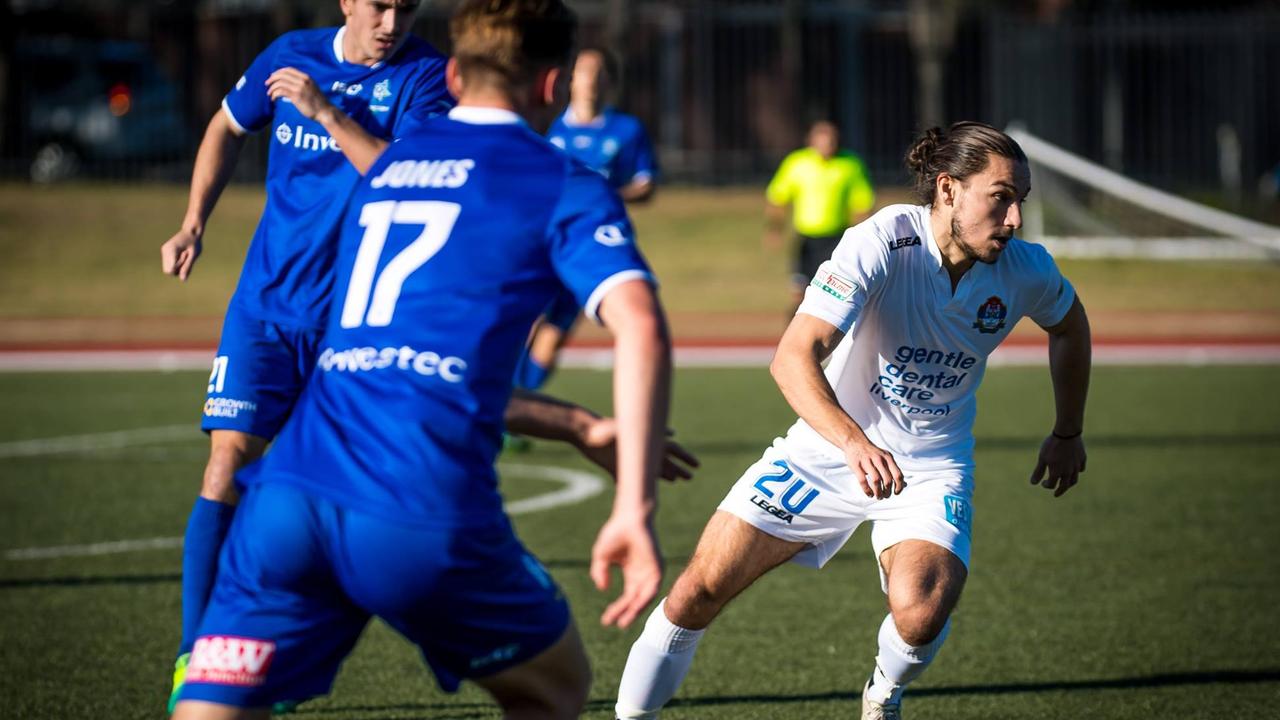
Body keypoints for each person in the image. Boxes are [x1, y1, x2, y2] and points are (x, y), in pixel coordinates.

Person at [172, 1, 673, 718]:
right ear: (553, 85)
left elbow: (392, 361)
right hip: (415, 505)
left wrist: (571, 424)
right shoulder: (555, 180)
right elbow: (642, 331)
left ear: (455, 75)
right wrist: (635, 507)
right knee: (558, 686)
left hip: (287, 499)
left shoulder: (390, 171)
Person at [614, 121, 1092, 720]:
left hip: (929, 464)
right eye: (1001, 197)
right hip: (823, 453)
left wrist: (1067, 430)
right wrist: (852, 442)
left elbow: (1070, 326)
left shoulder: (1026, 268)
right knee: (698, 591)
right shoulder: (883, 240)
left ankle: (882, 696)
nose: (1016, 218)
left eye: (1020, 200)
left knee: (920, 611)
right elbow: (792, 357)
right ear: (948, 189)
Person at [158, 1, 453, 710]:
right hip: (264, 308)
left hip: (358, 324)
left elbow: (401, 178)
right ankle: (196, 659)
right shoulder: (289, 54)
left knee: (343, 498)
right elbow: (227, 126)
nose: (391, 20)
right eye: (379, 4)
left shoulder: (426, 78)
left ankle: (310, 650)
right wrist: (193, 221)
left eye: (406, 7)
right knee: (227, 465)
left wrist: (325, 112)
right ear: (347, 0)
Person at [517, 45, 658, 392]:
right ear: (570, 79)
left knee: (554, 335)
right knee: (523, 321)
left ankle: (518, 407)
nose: (591, 81)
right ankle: (508, 405)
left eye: (599, 73)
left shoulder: (627, 130)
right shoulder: (547, 125)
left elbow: (646, 184)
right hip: (543, 241)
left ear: (609, 80)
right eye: (584, 72)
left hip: (592, 244)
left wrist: (605, 196)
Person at [764, 120, 876, 312]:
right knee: (799, 292)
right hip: (806, 240)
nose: (827, 146)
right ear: (811, 141)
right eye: (822, 141)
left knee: (835, 293)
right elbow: (778, 198)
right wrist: (774, 230)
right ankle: (794, 336)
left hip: (835, 239)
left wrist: (864, 238)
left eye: (831, 141)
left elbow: (862, 203)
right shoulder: (797, 163)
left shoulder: (850, 165)